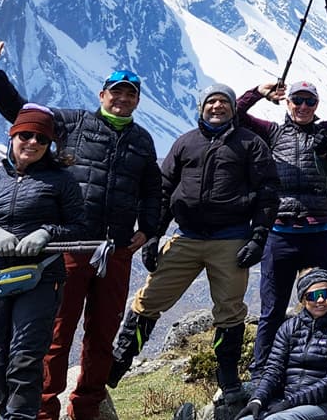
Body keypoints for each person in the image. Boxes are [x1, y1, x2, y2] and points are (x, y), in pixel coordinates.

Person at [0, 40, 163, 420]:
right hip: (68, 247)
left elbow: (153, 189)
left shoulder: (142, 141)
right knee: (56, 335)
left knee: (103, 336)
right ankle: (42, 410)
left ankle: (86, 409)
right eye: (115, 92)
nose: (121, 99)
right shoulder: (72, 123)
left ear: (137, 101)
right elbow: (22, 114)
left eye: (129, 94)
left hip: (115, 251)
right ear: (102, 94)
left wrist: (148, 229)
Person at [108, 84, 276, 415]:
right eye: (211, 102)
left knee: (229, 309)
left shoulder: (250, 144)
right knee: (149, 299)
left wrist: (258, 237)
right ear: (201, 108)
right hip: (185, 237)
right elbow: (163, 188)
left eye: (223, 102)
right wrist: (154, 234)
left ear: (233, 109)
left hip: (231, 239)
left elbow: (267, 191)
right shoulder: (185, 142)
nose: (217, 107)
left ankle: (227, 376)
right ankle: (119, 362)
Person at [0, 105, 87, 420]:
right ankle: (7, 414)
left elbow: (80, 228)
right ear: (12, 136)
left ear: (49, 144)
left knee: (26, 356)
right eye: (25, 135)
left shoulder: (62, 182)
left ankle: (21, 417)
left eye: (41, 138)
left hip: (41, 278)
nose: (32, 142)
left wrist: (46, 233)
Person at [234, 75, 327, 383]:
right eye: (297, 100)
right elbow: (237, 115)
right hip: (279, 235)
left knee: (322, 304)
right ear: (287, 102)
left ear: (317, 105)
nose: (303, 106)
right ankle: (262, 373)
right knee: (273, 308)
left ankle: (323, 368)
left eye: (309, 101)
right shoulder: (271, 133)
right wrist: (257, 91)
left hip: (318, 233)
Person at [240, 269, 327, 420]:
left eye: (326, 293)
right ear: (303, 299)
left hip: (325, 405)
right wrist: (257, 399)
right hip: (285, 402)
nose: (321, 300)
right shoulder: (288, 327)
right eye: (314, 295)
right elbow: (273, 371)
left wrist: (290, 402)